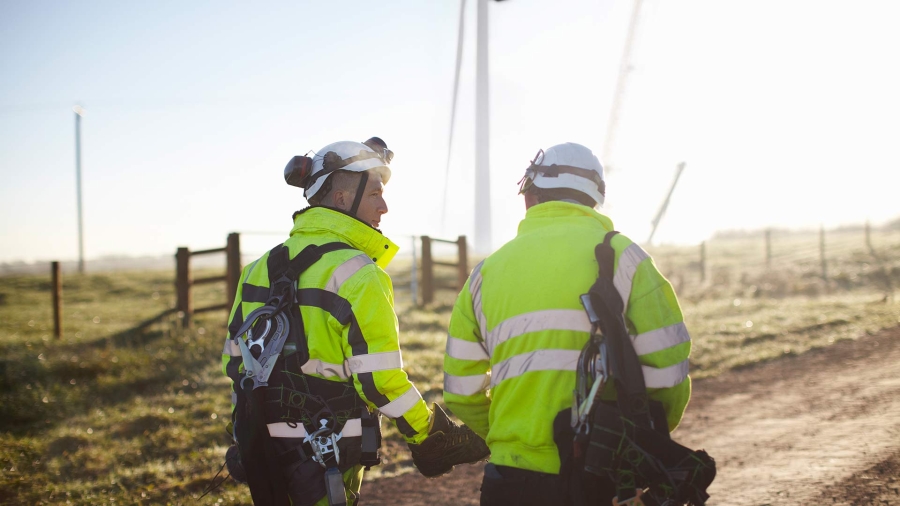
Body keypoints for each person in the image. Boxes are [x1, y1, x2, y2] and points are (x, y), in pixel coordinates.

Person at [222, 137, 489, 506]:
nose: (385, 206)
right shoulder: (360, 274)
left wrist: (242, 437)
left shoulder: (256, 269)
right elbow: (379, 380)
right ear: (343, 200)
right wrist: (429, 437)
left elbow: (235, 364)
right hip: (325, 454)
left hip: (262, 451)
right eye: (376, 194)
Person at [442, 142, 692, 506]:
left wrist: (506, 438)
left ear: (529, 195)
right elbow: (669, 372)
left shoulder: (485, 273)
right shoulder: (627, 259)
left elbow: (460, 390)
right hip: (600, 473)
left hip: (509, 477)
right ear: (594, 200)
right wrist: (638, 442)